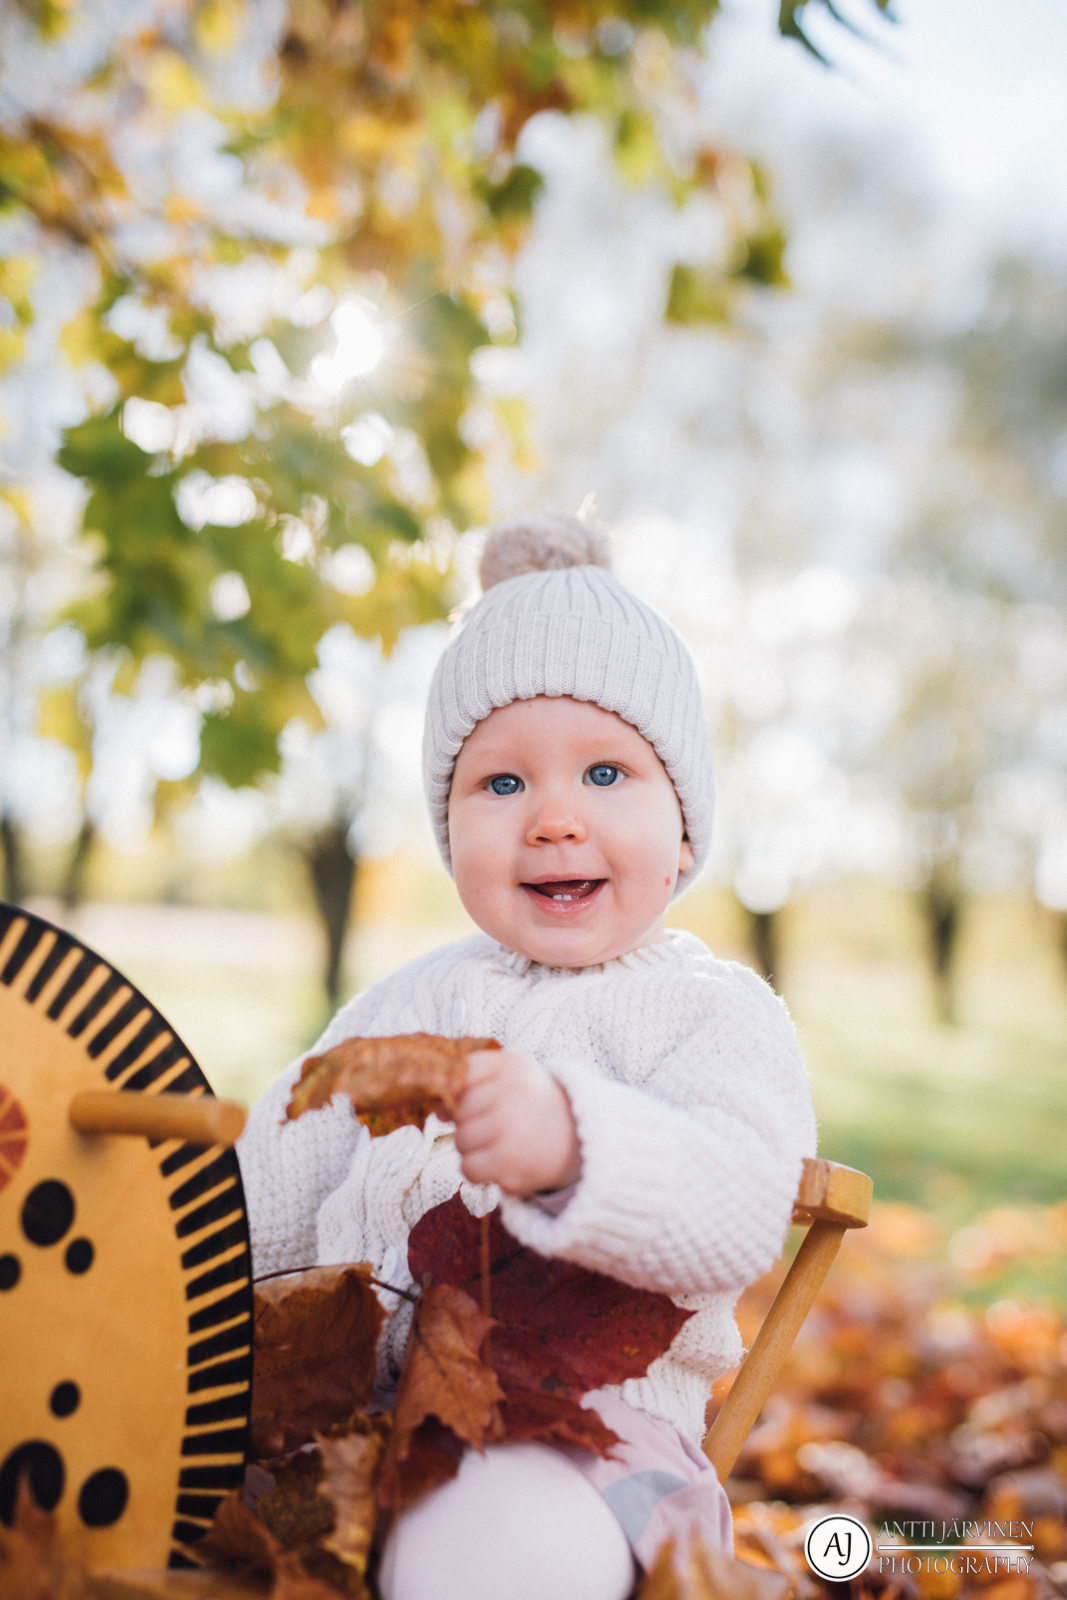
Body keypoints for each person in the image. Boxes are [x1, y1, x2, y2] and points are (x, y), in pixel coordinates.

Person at [237, 514, 818, 1600]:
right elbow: (266, 1182)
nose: (553, 817)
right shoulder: (401, 1006)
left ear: (683, 826)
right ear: (448, 826)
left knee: (498, 1545)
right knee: (163, 1490)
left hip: (578, 1443)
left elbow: (741, 1202)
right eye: (501, 784)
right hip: (348, 1431)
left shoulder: (710, 1012)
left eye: (604, 772)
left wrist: (573, 1147)